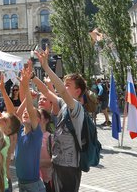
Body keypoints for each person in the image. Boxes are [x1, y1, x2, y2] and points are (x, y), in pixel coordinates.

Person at [34, 49, 90, 192]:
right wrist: (32, 76)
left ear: (77, 91)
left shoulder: (76, 107)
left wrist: (46, 67)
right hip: (58, 163)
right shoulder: (64, 104)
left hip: (70, 167)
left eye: (68, 85)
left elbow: (62, 92)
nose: (64, 88)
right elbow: (46, 92)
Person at [14, 63, 46, 192]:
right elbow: (18, 114)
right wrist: (25, 98)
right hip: (22, 184)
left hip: (34, 186)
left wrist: (26, 86)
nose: (26, 113)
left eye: (31, 113)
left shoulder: (36, 134)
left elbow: (30, 110)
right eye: (25, 113)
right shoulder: (20, 130)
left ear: (37, 120)